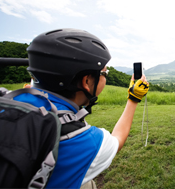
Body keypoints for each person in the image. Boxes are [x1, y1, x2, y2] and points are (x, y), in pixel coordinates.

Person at [13, 28, 149, 189]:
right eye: (104, 73)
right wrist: (133, 98)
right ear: (86, 81)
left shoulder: (9, 100)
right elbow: (117, 140)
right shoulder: (84, 140)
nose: (105, 77)